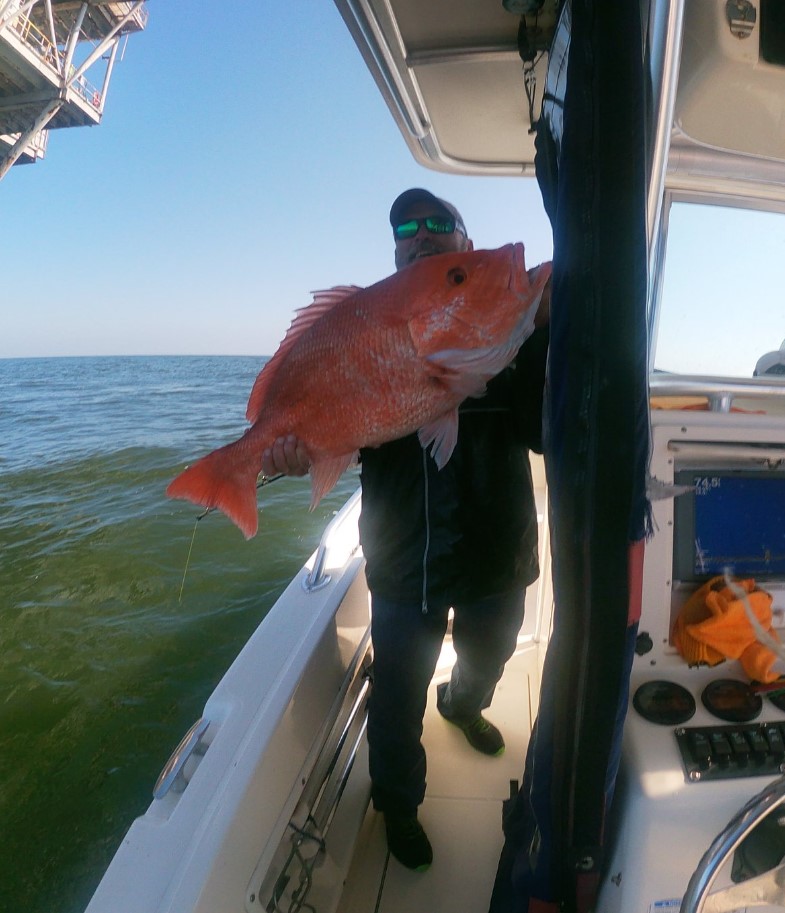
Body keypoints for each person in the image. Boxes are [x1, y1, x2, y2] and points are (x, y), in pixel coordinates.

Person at [261, 188, 549, 872]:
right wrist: (287, 451)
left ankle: (464, 702)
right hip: (400, 559)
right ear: (395, 252)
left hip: (496, 551)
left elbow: (544, 432)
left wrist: (535, 340)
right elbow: (333, 426)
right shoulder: (373, 328)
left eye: (436, 225)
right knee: (394, 696)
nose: (417, 234)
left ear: (462, 237)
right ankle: (397, 803)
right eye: (404, 230)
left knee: (490, 653)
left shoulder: (510, 324)